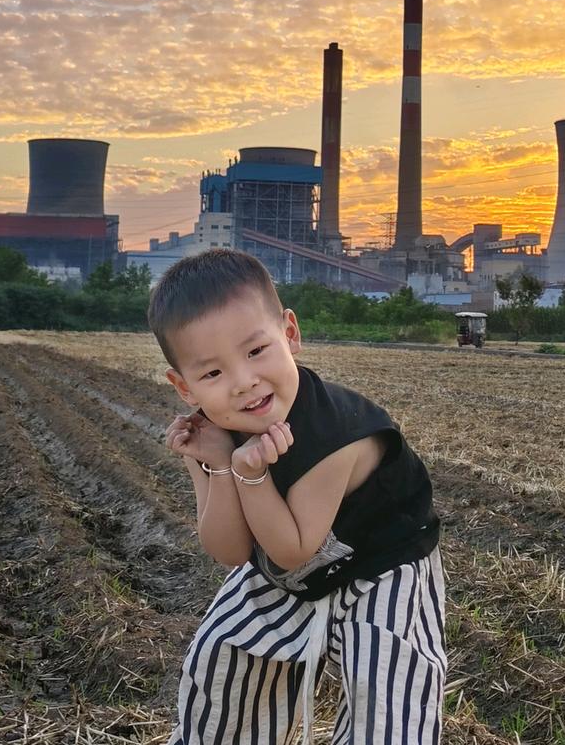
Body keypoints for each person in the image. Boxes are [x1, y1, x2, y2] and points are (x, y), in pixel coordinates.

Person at [148, 248, 446, 745]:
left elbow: (293, 550)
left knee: (388, 696)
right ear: (185, 388)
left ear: (290, 334)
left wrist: (250, 474)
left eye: (256, 351)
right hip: (286, 560)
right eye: (212, 374)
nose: (244, 383)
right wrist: (214, 465)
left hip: (382, 566)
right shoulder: (226, 427)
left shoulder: (336, 434)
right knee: (223, 652)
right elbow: (231, 550)